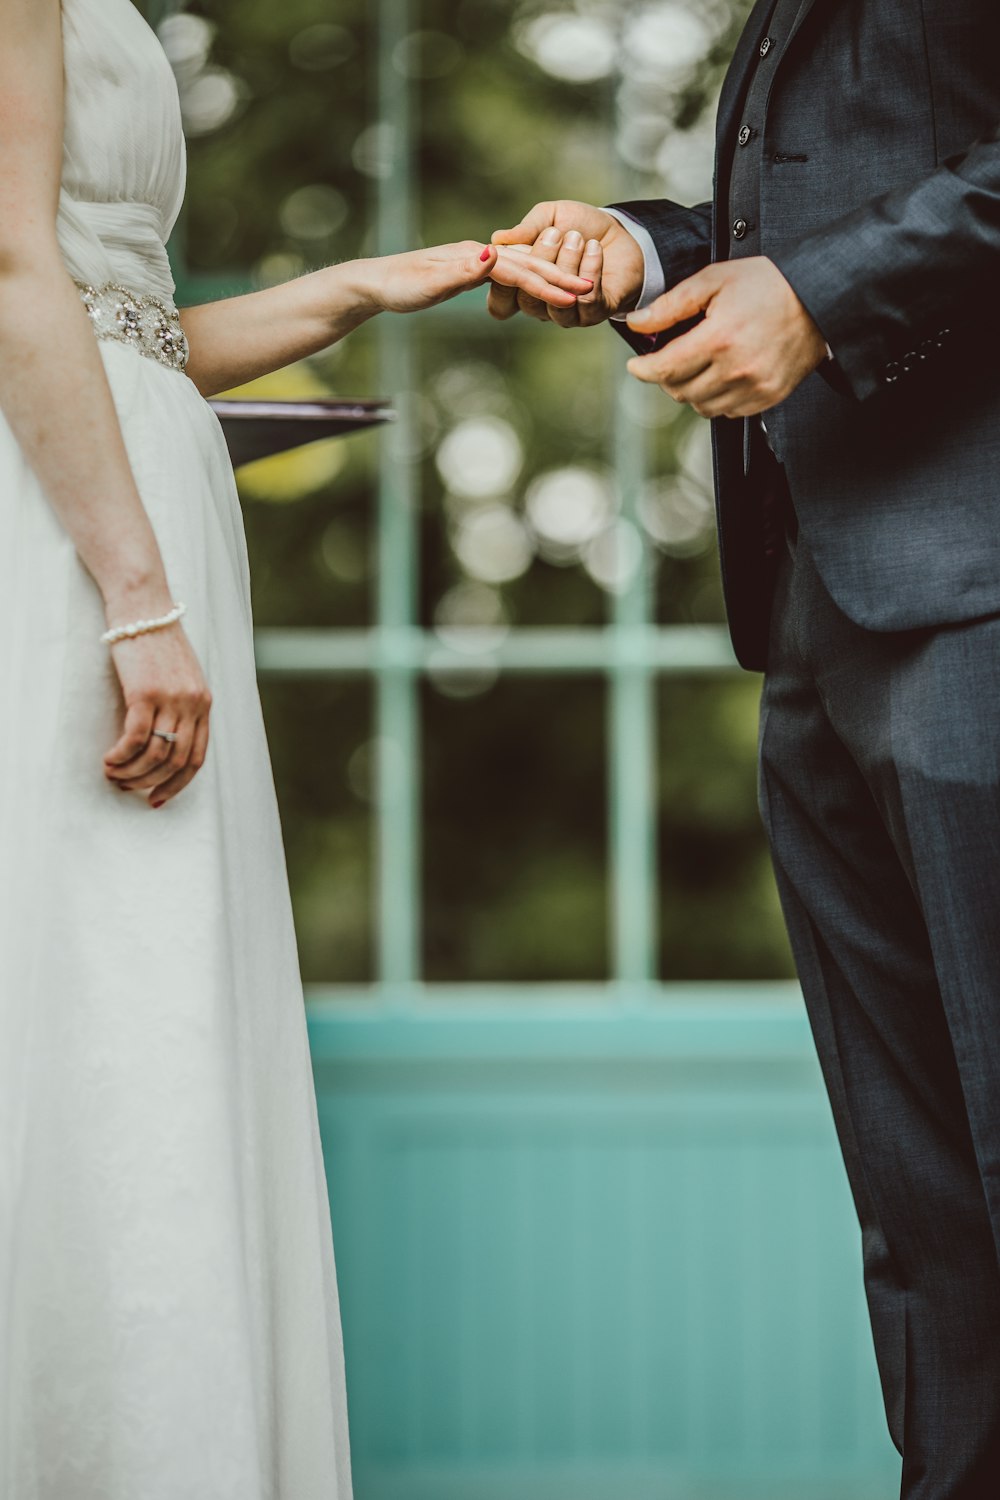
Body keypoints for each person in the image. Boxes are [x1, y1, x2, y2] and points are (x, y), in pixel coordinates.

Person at [0, 1, 596, 1496]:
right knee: (89, 994)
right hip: (80, 542)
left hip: (130, 486)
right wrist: (138, 601)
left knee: (148, 1010)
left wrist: (383, 284)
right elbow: (13, 279)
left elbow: (130, 330)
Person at [491, 2, 1000, 1495]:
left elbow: (850, 245)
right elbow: (836, 188)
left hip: (980, 597)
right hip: (819, 610)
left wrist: (827, 294)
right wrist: (644, 248)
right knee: (922, 1211)